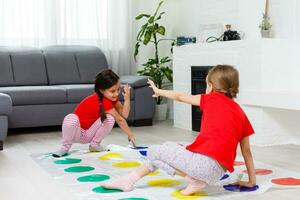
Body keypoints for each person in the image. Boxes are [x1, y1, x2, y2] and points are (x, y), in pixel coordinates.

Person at [99, 65, 256, 195]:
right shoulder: (241, 113)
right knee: (162, 152)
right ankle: (195, 181)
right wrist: (251, 181)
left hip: (203, 165)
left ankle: (128, 180)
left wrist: (159, 91)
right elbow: (247, 151)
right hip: (217, 174)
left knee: (154, 150)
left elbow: (180, 96)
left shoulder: (211, 98)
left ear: (211, 87)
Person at [52, 69, 136, 157]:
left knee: (110, 118)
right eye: (112, 91)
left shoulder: (111, 99)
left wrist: (127, 99)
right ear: (101, 90)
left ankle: (94, 145)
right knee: (71, 117)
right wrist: (130, 135)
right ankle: (65, 147)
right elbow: (120, 119)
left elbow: (124, 115)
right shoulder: (103, 100)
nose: (116, 93)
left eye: (118, 89)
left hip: (88, 134)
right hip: (76, 133)